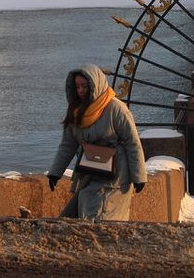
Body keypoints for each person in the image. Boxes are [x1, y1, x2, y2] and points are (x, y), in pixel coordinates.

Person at [46, 64, 146, 221]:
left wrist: (139, 177)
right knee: (85, 214)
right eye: (77, 87)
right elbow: (68, 144)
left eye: (84, 86)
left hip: (115, 177)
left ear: (95, 85)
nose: (80, 90)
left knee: (103, 217)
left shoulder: (116, 108)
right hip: (89, 173)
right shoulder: (76, 111)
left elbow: (132, 142)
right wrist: (55, 173)